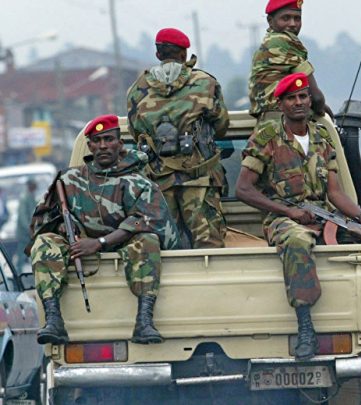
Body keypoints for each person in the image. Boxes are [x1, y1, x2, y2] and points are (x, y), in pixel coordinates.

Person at [235, 73, 361, 360]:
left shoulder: (322, 137)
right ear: (281, 104)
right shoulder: (267, 137)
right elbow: (243, 189)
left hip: (324, 216)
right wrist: (289, 211)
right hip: (284, 218)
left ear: (310, 100)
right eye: (291, 98)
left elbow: (334, 192)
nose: (299, 102)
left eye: (303, 96)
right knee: (297, 242)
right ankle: (306, 329)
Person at [29, 114, 179, 345]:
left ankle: (144, 321)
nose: (103, 146)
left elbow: (145, 220)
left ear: (120, 144)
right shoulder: (68, 180)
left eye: (108, 139)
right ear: (90, 146)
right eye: (97, 141)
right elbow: (41, 220)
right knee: (44, 242)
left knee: (147, 240)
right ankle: (53, 319)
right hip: (79, 246)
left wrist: (99, 243)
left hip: (124, 245)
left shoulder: (138, 182)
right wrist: (62, 226)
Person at [127, 27, 229, 249]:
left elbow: (135, 133)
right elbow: (221, 127)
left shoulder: (137, 89)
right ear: (184, 54)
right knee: (208, 245)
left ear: (158, 54)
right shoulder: (205, 83)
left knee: (164, 247)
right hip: (199, 179)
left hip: (158, 182)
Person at [248, 0, 332, 123]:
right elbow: (317, 98)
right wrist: (322, 110)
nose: (292, 24)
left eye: (297, 19)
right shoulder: (285, 41)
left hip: (265, 122)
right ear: (270, 21)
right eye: (285, 18)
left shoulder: (267, 42)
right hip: (285, 122)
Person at [13, 178, 37, 271]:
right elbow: (23, 216)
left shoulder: (31, 196)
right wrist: (29, 228)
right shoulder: (24, 198)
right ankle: (18, 275)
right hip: (24, 233)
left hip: (29, 232)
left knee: (31, 253)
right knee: (22, 256)